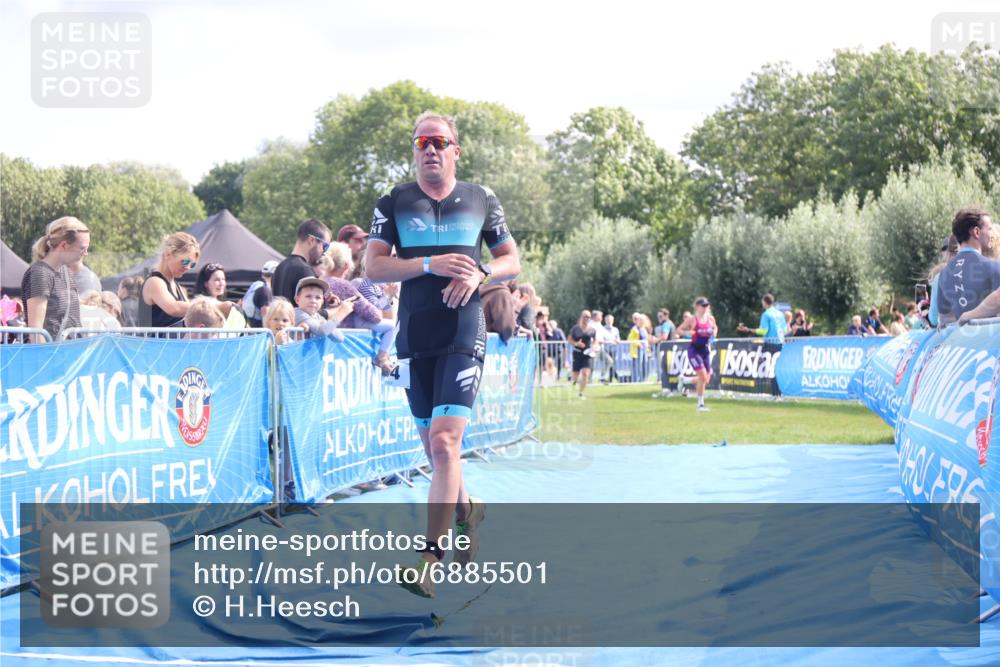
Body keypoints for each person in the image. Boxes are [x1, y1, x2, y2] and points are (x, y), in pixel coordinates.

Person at [364, 112, 520, 598]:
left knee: (446, 443)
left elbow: (511, 261)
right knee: (434, 450)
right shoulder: (394, 202)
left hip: (462, 331)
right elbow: (373, 265)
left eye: (440, 141)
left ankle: (427, 560)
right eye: (422, 142)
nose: (430, 149)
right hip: (414, 334)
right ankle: (469, 510)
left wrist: (480, 275)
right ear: (414, 150)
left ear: (456, 149)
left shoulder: (480, 199)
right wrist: (428, 263)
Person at [320, 241, 397, 373]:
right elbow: (375, 315)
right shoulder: (344, 285)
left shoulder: (319, 281)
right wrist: (386, 297)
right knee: (392, 326)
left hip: (326, 341)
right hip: (342, 342)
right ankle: (382, 357)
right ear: (346, 265)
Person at [22, 216, 90, 341]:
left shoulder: (66, 273)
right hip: (50, 356)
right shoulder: (40, 274)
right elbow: (36, 333)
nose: (85, 253)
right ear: (64, 245)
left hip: (68, 354)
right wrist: (47, 359)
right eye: (82, 248)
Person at [936, 207, 1000, 324]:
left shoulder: (944, 274)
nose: (992, 234)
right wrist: (970, 316)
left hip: (962, 341)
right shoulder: (994, 267)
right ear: (976, 232)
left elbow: (945, 319)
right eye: (990, 229)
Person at [140, 232, 199, 329]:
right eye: (185, 261)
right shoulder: (154, 282)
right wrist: (211, 308)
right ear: (168, 254)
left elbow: (189, 316)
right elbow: (174, 308)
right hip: (154, 343)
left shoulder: (177, 287)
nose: (188, 267)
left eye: (192, 264)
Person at [272, 219, 332, 303]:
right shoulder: (304, 269)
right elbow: (311, 313)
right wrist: (340, 309)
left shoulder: (280, 266)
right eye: (325, 246)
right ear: (311, 240)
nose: (324, 252)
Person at [676, 297, 717, 411]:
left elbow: (715, 328)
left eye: (707, 306)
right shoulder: (692, 319)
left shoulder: (711, 319)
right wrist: (687, 332)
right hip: (694, 350)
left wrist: (714, 334)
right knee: (703, 377)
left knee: (706, 379)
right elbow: (678, 330)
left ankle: (684, 380)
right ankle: (700, 405)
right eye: (703, 306)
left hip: (705, 350)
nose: (705, 308)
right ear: (697, 306)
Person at [243, 260, 279, 327]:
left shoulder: (255, 285)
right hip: (258, 331)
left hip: (249, 327)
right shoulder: (265, 290)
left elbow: (240, 303)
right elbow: (266, 313)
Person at [569, 310, 595, 398]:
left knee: (585, 373)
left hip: (587, 354)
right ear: (581, 317)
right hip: (577, 353)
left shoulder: (592, 330)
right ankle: (573, 388)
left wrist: (594, 346)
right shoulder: (575, 328)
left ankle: (581, 393)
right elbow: (569, 339)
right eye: (585, 316)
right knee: (575, 375)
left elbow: (596, 340)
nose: (587, 318)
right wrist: (576, 344)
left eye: (589, 317)